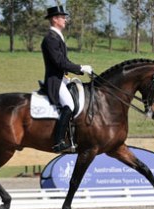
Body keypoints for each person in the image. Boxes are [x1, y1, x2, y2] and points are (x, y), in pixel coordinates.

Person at [41, 5, 93, 153]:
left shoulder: (57, 37)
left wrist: (77, 71)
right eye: (63, 17)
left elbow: (64, 61)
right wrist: (80, 67)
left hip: (63, 78)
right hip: (55, 81)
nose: (65, 20)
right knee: (69, 105)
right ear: (55, 19)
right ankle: (58, 142)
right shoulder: (50, 39)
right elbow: (59, 62)